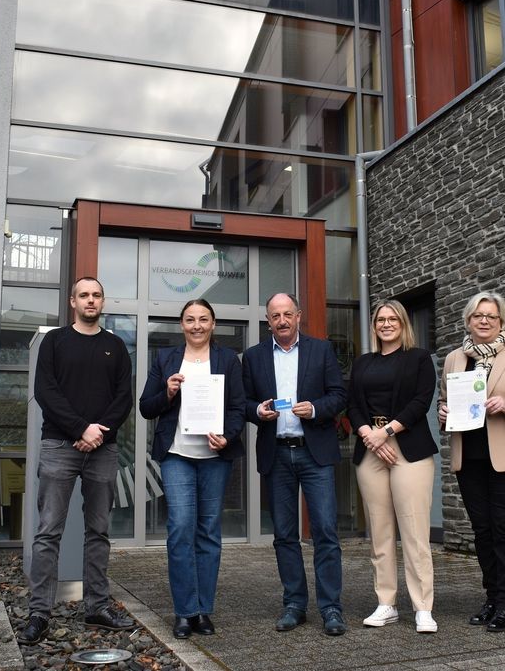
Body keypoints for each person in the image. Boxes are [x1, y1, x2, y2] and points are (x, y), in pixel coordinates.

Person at [19, 276, 138, 645]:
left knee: (98, 531)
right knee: (48, 531)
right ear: (73, 302)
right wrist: (80, 429)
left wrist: (97, 432)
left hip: (102, 449)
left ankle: (97, 607)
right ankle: (39, 612)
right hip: (59, 445)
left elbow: (124, 397)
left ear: (103, 301)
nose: (91, 300)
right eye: (84, 295)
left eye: (96, 295)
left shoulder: (116, 346)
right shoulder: (55, 341)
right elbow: (45, 392)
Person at [436, 291, 505, 633]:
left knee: (504, 528)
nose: (484, 321)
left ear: (502, 322)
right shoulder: (455, 358)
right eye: (478, 316)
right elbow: (445, 400)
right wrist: (443, 413)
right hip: (469, 456)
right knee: (482, 531)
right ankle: (491, 597)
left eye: (491, 317)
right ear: (468, 320)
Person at [139, 299, 246, 639]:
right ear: (181, 324)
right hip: (177, 456)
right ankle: (185, 612)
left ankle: (204, 610)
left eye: (203, 319)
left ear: (213, 323)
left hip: (214, 458)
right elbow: (146, 407)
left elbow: (238, 406)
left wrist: (227, 437)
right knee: (181, 529)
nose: (197, 325)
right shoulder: (166, 358)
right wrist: (168, 392)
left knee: (209, 532)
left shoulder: (228, 359)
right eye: (190, 319)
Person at [242, 293, 348, 636]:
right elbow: (241, 402)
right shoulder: (254, 357)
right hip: (276, 453)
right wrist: (258, 411)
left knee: (325, 533)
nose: (282, 321)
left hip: (313, 451)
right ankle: (295, 604)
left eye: (288, 314)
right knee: (285, 535)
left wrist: (316, 408)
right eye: (275, 316)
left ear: (298, 316)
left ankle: (331, 608)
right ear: (268, 320)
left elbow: (339, 395)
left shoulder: (321, 350)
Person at [349, 300, 438, 634]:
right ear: (374, 326)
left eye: (392, 319)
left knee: (415, 534)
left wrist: (386, 433)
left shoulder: (418, 358)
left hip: (407, 448)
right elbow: (352, 404)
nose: (386, 324)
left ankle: (422, 607)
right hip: (370, 448)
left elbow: (421, 401)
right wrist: (369, 436)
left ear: (403, 323)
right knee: (381, 534)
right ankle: (386, 604)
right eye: (380, 320)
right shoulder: (362, 363)